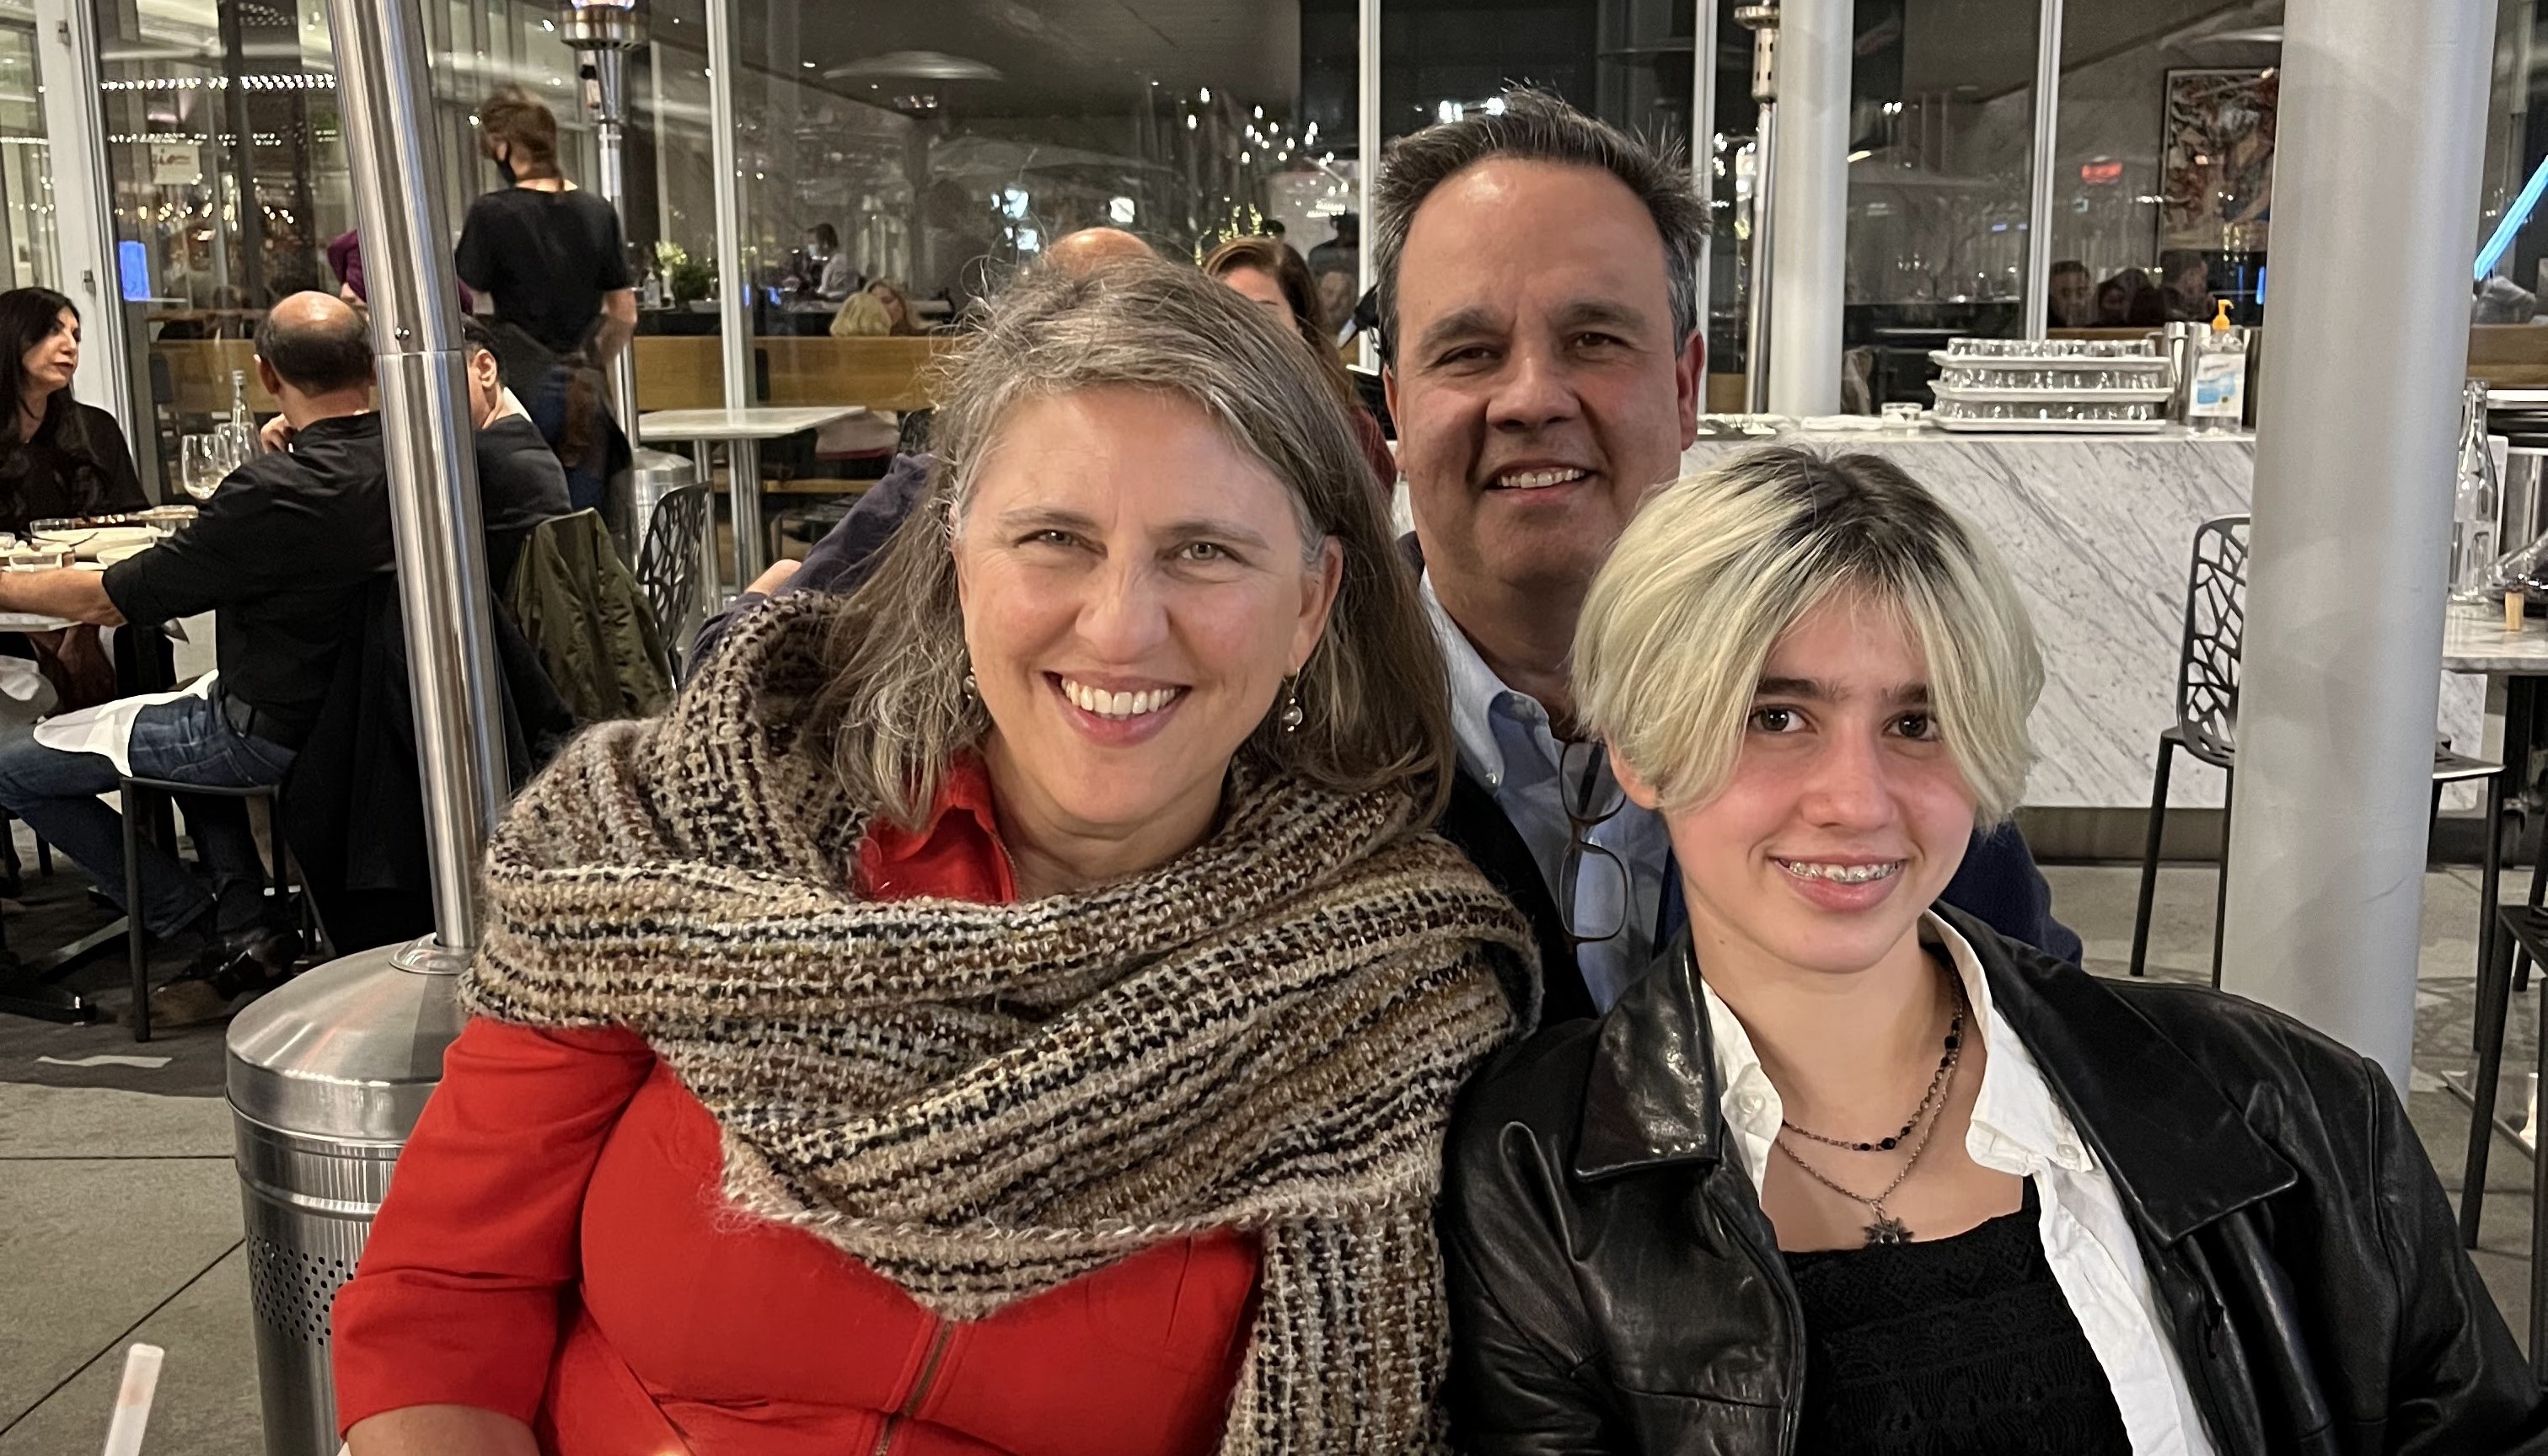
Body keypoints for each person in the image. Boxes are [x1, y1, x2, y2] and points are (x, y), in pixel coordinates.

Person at [330, 259, 1533, 1453]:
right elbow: (441, 1306)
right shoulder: (674, 837)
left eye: (1204, 552)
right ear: (959, 561)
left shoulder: (1383, 993)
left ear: (1310, 605)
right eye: (1054, 537)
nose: (1118, 626)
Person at [1441, 447, 2548, 1452]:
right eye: (1773, 716)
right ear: (1640, 746)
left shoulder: (2290, 1113)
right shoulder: (1537, 1171)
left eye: (1915, 723)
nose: (1853, 799)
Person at [1374, 89, 2076, 1023]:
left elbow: (2042, 1030)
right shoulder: (1279, 742)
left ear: (1682, 387)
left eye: (1592, 340)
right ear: (1393, 407)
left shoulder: (1867, 716)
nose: (1530, 399)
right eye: (1468, 351)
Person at [0, 292, 393, 1025]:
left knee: (10, 768)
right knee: (173, 703)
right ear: (372, 368)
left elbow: (111, 600)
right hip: (361, 714)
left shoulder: (271, 493)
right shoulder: (406, 462)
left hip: (263, 727)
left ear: (266, 375)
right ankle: (250, 925)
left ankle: (194, 920)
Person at [455, 88, 634, 510]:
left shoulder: (492, 213)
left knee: (526, 516)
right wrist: (588, 361)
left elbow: (463, 298)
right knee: (586, 523)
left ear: (503, 145)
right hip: (584, 390)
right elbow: (624, 315)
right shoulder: (597, 210)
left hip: (520, 384)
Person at [1204, 234, 1396, 490]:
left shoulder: (1353, 436)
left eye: (1263, 316)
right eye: (1226, 316)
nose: (1245, 332)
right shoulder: (1185, 428)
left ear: (1301, 325)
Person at [0, 286, 146, 535]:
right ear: (12, 334)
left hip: (81, 571)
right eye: (53, 330)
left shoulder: (95, 429)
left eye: (75, 335)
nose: (70, 346)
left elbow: (132, 523)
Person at [1307, 210, 1360, 326]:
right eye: (1328, 293)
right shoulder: (1319, 255)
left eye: (1344, 295)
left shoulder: (1364, 257)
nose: (1334, 303)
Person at [2160, 248, 2212, 321]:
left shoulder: (2168, 300)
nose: (2204, 286)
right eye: (2202, 278)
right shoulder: (2169, 307)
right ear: (2190, 275)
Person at [2047, 258, 2095, 329]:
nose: (2074, 301)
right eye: (2065, 294)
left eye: (2081, 293)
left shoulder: (2105, 328)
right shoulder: (2040, 331)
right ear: (2051, 298)